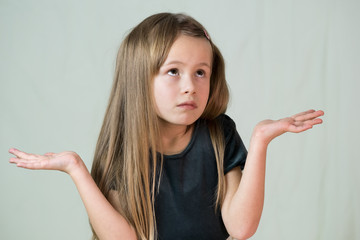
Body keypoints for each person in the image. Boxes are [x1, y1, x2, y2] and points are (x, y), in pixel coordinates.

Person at [8, 12, 324, 240]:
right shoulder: (125, 150)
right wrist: (75, 168)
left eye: (201, 72)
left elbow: (241, 228)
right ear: (139, 79)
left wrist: (260, 140)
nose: (190, 86)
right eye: (173, 71)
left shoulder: (219, 133)